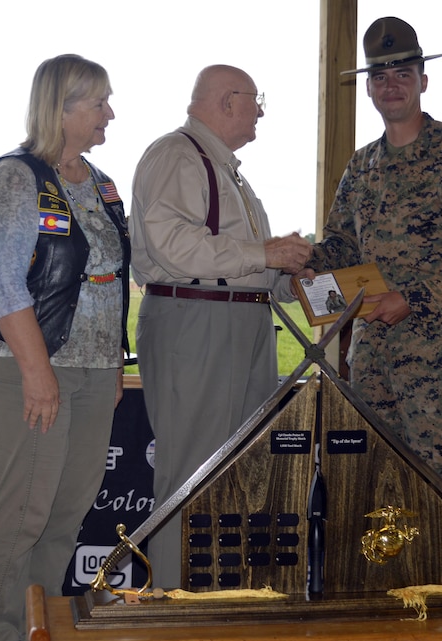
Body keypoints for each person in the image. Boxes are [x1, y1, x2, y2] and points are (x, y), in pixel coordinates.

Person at [306, 17, 442, 582]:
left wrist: (412, 298)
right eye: (380, 75)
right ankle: (394, 591)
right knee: (376, 476)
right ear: (368, 87)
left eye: (403, 73)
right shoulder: (360, 167)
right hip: (370, 357)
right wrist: (301, 263)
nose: (391, 83)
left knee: (438, 478)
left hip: (433, 357)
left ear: (422, 80)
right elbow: (340, 243)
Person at [0, 54, 130, 641]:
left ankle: (35, 628)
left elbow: (109, 278)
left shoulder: (102, 183)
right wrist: (37, 371)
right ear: (62, 108)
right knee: (18, 515)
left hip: (90, 370)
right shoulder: (14, 175)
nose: (111, 113)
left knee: (63, 516)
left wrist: (110, 363)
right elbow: (4, 283)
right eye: (100, 102)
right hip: (25, 369)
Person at [129, 64, 312, 588]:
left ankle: (216, 595)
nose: (260, 112)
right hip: (197, 322)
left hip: (242, 322)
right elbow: (175, 245)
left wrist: (294, 278)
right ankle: (170, 598)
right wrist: (267, 252)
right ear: (228, 101)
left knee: (236, 471)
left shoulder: (226, 169)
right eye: (256, 101)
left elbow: (245, 265)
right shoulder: (176, 154)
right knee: (191, 471)